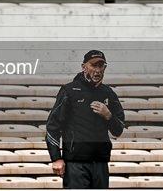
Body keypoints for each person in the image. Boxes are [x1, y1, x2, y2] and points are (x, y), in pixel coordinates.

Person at [46, 50, 125, 189]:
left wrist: (108, 116)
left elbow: (118, 130)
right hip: (76, 163)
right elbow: (53, 126)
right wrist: (56, 158)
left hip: (100, 162)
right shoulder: (69, 91)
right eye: (94, 66)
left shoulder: (109, 93)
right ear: (84, 67)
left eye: (101, 66)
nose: (98, 70)